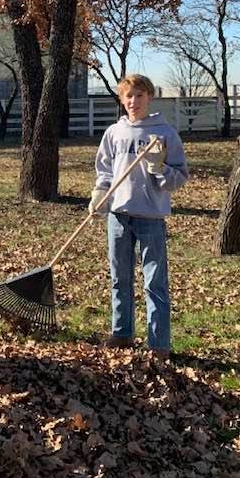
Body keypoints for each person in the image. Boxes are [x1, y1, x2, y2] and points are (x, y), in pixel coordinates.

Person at [89, 73, 188, 358]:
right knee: (120, 278)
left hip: (150, 217)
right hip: (118, 216)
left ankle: (159, 344)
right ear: (122, 99)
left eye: (139, 96)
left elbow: (180, 177)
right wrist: (99, 195)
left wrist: (160, 169)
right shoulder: (114, 133)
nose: (134, 102)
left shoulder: (164, 134)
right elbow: (105, 171)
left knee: (154, 282)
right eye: (128, 96)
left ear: (150, 97)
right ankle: (122, 333)